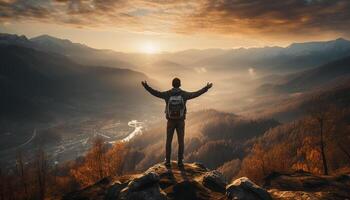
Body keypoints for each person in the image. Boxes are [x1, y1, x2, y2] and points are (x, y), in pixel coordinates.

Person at [141, 78, 213, 167]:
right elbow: (196, 94)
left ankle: (167, 161)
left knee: (168, 141)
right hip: (180, 121)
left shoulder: (167, 94)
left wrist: (146, 87)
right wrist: (206, 88)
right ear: (180, 84)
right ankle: (180, 161)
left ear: (172, 84)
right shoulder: (184, 94)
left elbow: (156, 93)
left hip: (170, 121)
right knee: (181, 141)